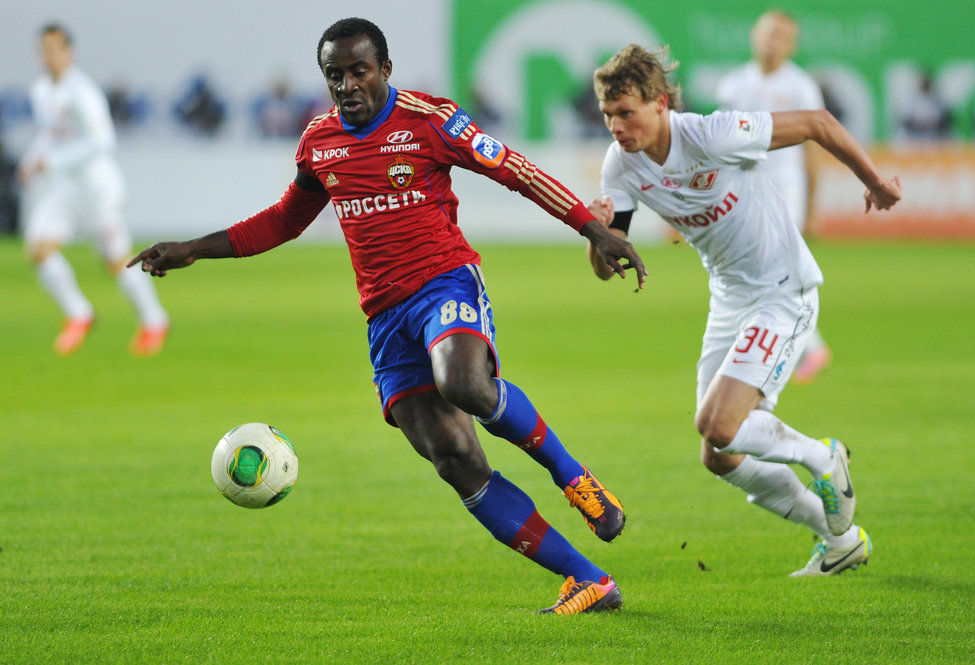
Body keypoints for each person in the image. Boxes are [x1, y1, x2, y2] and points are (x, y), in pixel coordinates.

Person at [129, 18, 646, 615]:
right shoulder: (319, 142)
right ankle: (588, 580)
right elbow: (283, 221)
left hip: (444, 282)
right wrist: (194, 248)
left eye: (359, 71)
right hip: (384, 317)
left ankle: (575, 479)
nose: (347, 85)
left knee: (463, 382)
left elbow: (517, 171)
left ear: (385, 70)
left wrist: (591, 228)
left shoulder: (430, 120)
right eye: (335, 75)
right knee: (455, 460)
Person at [587, 44, 901, 576]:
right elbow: (606, 265)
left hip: (783, 290)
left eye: (626, 112)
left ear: (660, 104)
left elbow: (819, 122)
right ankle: (840, 540)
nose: (616, 126)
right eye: (607, 114)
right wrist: (595, 233)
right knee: (719, 453)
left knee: (717, 423)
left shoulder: (713, 134)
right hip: (730, 298)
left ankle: (823, 457)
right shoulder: (620, 165)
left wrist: (873, 182)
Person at [18, 23, 169, 356]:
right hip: (65, 189)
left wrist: (52, 162)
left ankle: (155, 320)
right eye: (44, 49)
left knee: (116, 261)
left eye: (55, 49)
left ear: (68, 52)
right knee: (38, 248)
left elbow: (103, 141)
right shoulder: (41, 91)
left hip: (96, 190)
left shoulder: (83, 92)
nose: (49, 56)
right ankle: (79, 314)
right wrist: (30, 161)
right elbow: (49, 134)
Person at [715, 9, 831, 384]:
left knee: (776, 268)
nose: (772, 42)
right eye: (768, 33)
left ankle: (803, 346)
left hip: (785, 188)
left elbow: (813, 148)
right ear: (755, 36)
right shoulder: (733, 85)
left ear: (791, 45)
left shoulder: (801, 86)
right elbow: (720, 145)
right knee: (756, 270)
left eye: (781, 36)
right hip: (743, 190)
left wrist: (812, 207)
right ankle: (798, 344)